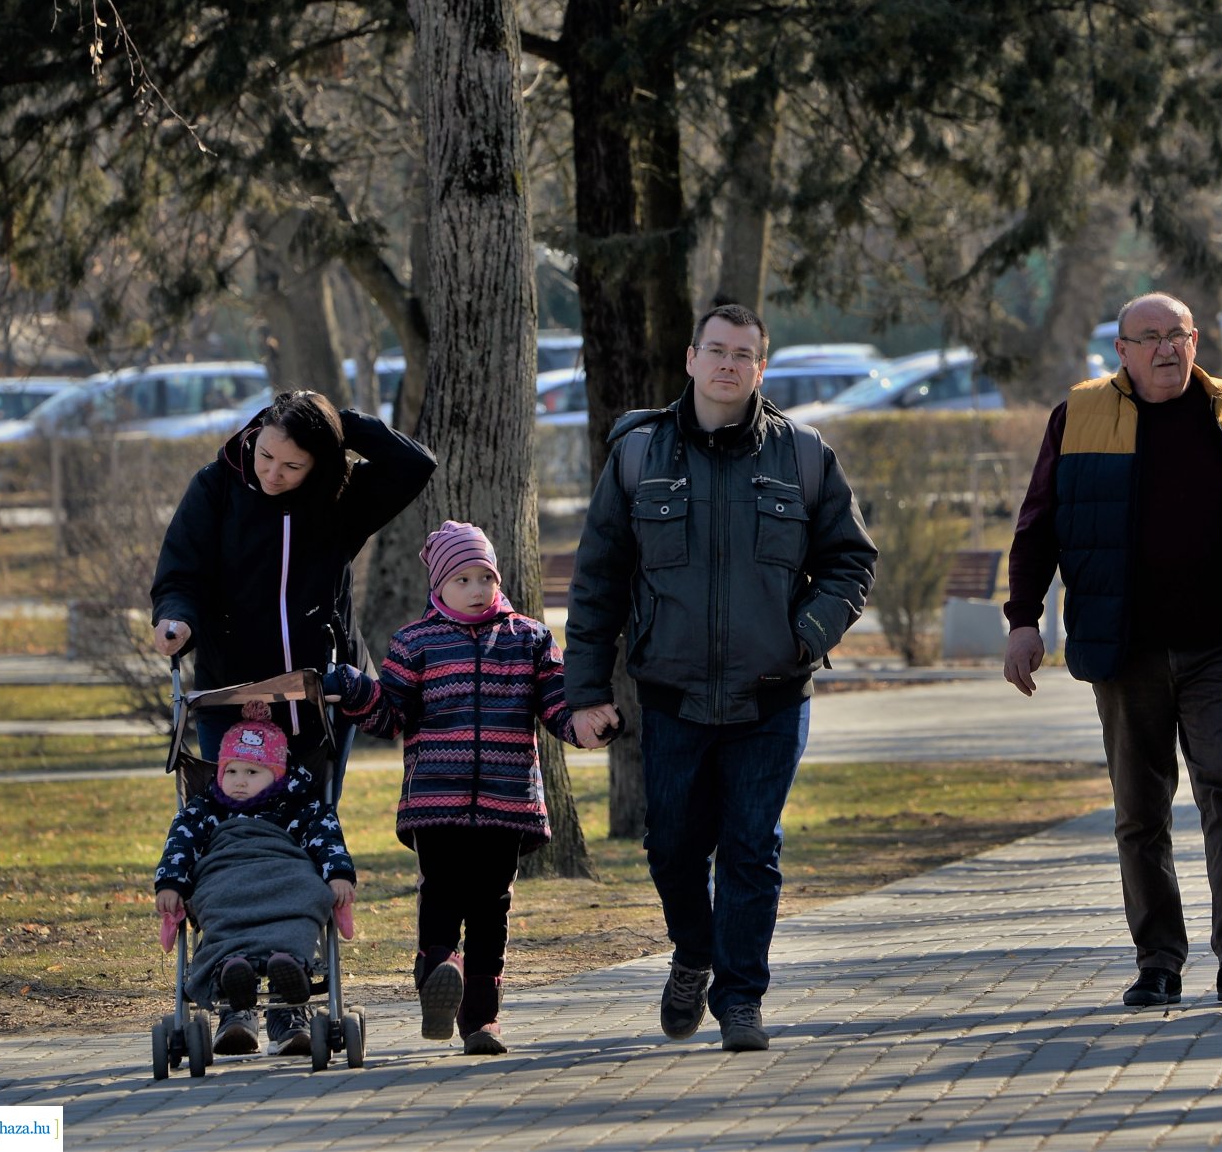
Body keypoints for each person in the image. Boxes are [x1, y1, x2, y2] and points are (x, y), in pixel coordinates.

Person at [564, 301, 877, 1052]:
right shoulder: (638, 456)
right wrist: (584, 690)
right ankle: (693, 952)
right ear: (691, 358)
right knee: (672, 846)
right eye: (718, 350)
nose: (730, 364)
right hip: (670, 694)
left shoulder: (803, 455)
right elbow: (598, 580)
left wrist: (807, 633)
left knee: (750, 848)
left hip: (772, 692)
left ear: (761, 368)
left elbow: (850, 560)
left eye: (745, 354)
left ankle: (742, 1000)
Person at [1003, 292, 1222, 1009]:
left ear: (1196, 340)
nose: (1167, 349)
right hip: (1128, 650)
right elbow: (1038, 526)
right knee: (1139, 811)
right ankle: (1158, 963)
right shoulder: (1080, 415)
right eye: (1150, 338)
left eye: (1178, 335)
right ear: (1121, 350)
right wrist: (1023, 619)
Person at [150, 387, 434, 1052]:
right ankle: (234, 1000)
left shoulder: (338, 501)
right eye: (266, 454)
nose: (271, 473)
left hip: (314, 696)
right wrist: (176, 619)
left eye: (291, 465)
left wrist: (339, 422)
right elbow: (180, 571)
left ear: (320, 467)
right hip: (228, 692)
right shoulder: (218, 485)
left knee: (300, 837)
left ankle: (290, 1001)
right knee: (231, 838)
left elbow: (411, 466)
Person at [326, 520, 607, 1055]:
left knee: (491, 909)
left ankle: (480, 1020)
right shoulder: (415, 643)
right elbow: (389, 717)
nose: (477, 589)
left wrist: (587, 727)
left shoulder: (529, 638)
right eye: (463, 579)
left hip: (507, 802)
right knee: (442, 896)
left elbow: (556, 707)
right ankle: (437, 974)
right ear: (439, 586)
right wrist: (358, 690)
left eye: (485, 577)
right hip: (436, 801)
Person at [153, 720, 356, 1056]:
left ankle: (288, 967)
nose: (239, 781)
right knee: (213, 898)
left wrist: (338, 875)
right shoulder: (206, 809)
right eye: (231, 771)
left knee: (309, 892)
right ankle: (233, 972)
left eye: (252, 772)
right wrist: (171, 883)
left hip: (285, 874)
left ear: (277, 774)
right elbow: (180, 845)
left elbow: (327, 838)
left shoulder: (299, 807)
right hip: (225, 876)